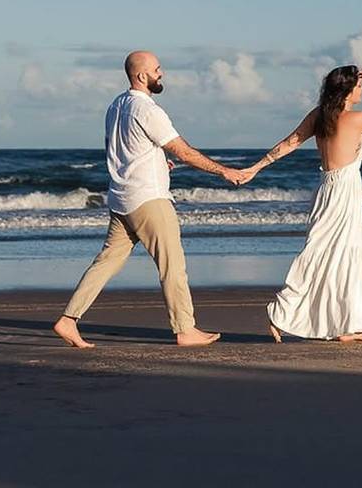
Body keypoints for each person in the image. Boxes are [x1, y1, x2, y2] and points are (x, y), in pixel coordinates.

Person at [53, 50, 251, 348]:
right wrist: (224, 172)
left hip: (121, 199)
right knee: (173, 265)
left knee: (105, 262)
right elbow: (183, 150)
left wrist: (159, 162)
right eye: (158, 69)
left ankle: (68, 320)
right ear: (142, 75)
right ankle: (186, 330)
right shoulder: (148, 110)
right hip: (149, 200)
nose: (162, 73)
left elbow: (125, 150)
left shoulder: (115, 106)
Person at [242, 66, 362, 342]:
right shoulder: (355, 119)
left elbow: (288, 144)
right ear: (348, 90)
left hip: (330, 190)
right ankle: (280, 312)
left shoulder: (319, 116)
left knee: (349, 255)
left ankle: (348, 325)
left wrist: (257, 167)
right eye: (360, 86)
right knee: (322, 253)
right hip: (341, 192)